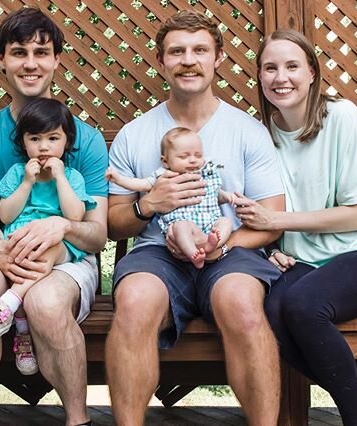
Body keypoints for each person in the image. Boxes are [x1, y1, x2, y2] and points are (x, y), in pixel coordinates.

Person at [105, 10, 285, 426]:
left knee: (241, 303)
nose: (189, 59)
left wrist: (223, 242)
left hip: (231, 250)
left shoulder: (246, 130)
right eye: (177, 51)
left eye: (199, 50)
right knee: (133, 303)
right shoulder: (135, 133)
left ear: (218, 58)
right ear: (161, 61)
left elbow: (272, 216)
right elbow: (115, 223)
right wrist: (148, 205)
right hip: (157, 252)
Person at [234, 29, 357, 426]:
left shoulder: (343, 118)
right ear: (259, 77)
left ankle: (356, 420)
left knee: (302, 306)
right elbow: (263, 210)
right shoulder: (262, 138)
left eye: (292, 66)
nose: (281, 77)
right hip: (307, 260)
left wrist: (278, 222)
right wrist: (269, 247)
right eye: (270, 68)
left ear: (312, 72)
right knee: (265, 311)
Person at [0, 7, 108, 426]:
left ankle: (78, 419)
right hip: (5, 250)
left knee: (45, 301)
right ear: (1, 60)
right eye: (18, 52)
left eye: (41, 52)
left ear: (57, 59)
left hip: (67, 258)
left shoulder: (85, 140)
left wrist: (64, 226)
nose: (30, 63)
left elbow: (96, 236)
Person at [0, 98, 97, 375]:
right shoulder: (17, 173)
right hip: (18, 243)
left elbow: (75, 216)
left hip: (57, 244)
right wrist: (27, 182)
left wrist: (60, 178)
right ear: (23, 142)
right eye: (35, 138)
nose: (43, 147)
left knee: (43, 249)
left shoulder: (72, 176)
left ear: (67, 141)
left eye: (53, 138)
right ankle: (23, 337)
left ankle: (7, 303)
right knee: (20, 252)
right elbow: (5, 215)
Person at [106, 126, 235, 268]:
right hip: (182, 222)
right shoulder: (162, 177)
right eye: (184, 156)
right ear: (165, 161)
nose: (192, 160)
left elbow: (214, 194)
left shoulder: (205, 174)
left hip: (210, 223)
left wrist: (228, 196)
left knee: (225, 222)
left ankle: (214, 244)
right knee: (181, 227)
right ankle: (193, 254)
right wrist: (118, 179)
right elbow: (139, 184)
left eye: (198, 155)